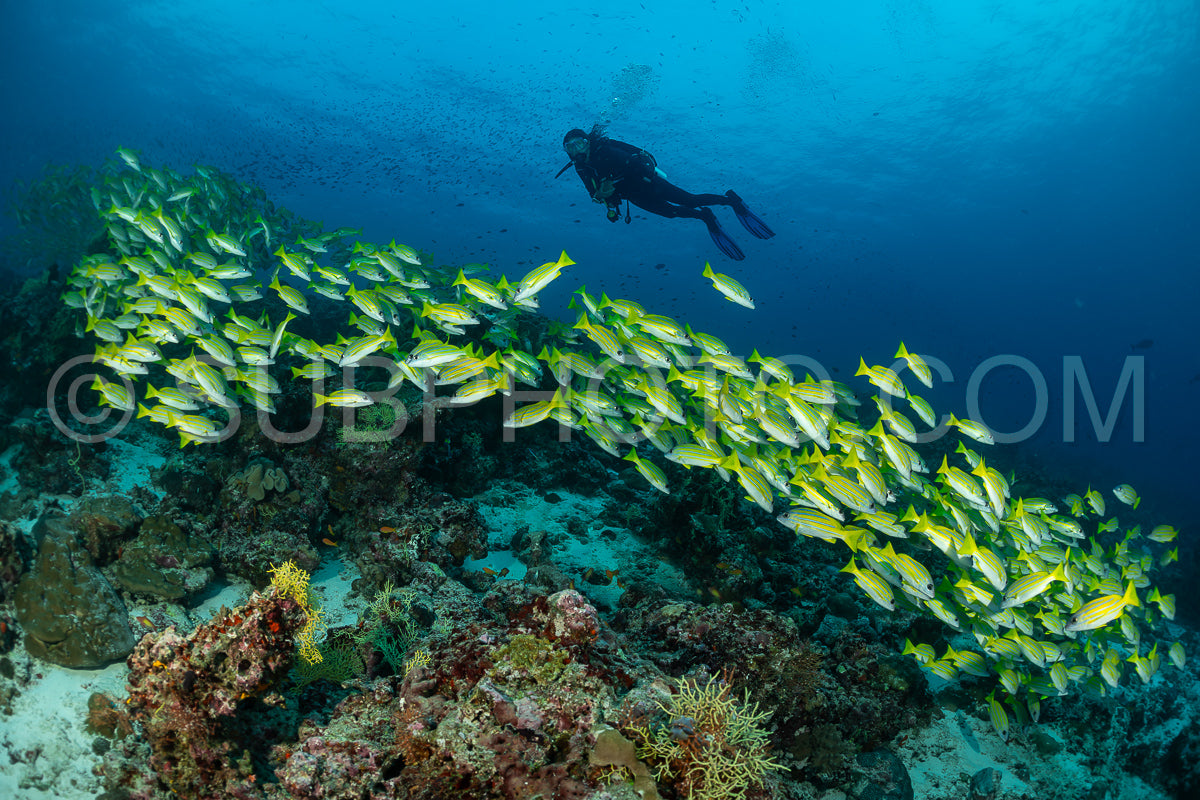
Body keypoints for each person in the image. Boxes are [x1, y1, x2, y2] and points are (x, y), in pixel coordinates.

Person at [556, 126, 775, 261]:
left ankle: (732, 200)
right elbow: (594, 193)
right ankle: (705, 216)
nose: (576, 150)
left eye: (579, 143)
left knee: (690, 199)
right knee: (671, 213)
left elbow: (630, 163)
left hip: (648, 183)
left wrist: (610, 182)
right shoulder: (580, 167)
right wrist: (607, 201)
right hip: (634, 195)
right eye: (570, 147)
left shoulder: (605, 150)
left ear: (588, 142)